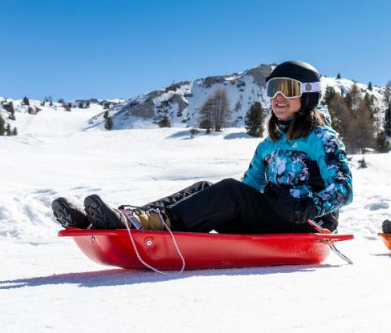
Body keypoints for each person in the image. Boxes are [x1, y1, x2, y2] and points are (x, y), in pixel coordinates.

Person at [51, 60, 353, 234]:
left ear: (309, 95)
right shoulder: (268, 145)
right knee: (208, 187)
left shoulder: (321, 138)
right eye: (272, 89)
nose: (277, 97)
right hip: (275, 219)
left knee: (228, 191)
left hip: (310, 226)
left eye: (287, 89)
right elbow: (248, 191)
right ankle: (125, 220)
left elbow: (343, 189)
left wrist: (310, 205)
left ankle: (146, 225)